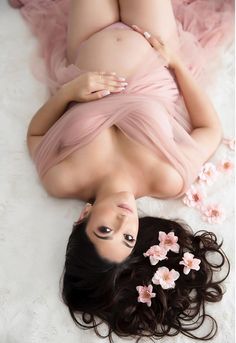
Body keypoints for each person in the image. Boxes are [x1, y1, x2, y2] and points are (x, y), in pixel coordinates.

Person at [10, 0, 233, 341]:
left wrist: (69, 92)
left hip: (89, 41)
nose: (122, 220)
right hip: (153, 45)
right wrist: (177, 65)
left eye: (103, 230)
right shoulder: (166, 178)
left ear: (83, 217)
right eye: (128, 237)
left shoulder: (62, 178)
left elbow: (36, 134)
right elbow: (208, 131)